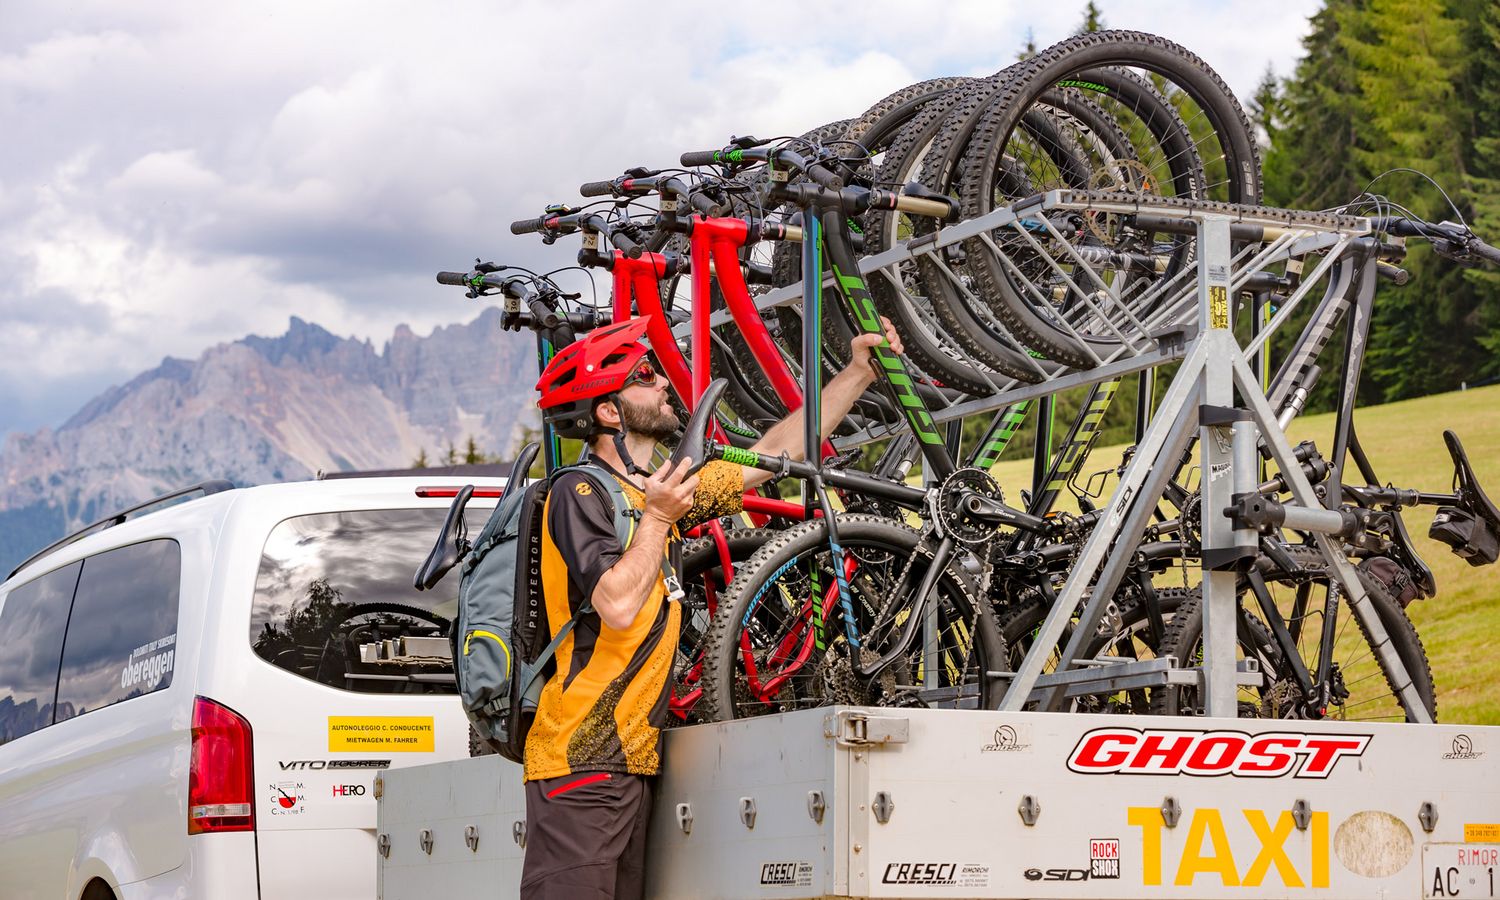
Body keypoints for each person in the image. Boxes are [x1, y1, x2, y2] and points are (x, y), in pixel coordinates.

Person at [518, 315, 903, 900]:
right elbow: (617, 605)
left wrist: (856, 375)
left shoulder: (651, 491)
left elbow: (772, 451)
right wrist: (660, 518)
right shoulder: (579, 491)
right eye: (643, 375)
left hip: (628, 762)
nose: (662, 383)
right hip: (579, 759)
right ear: (608, 413)